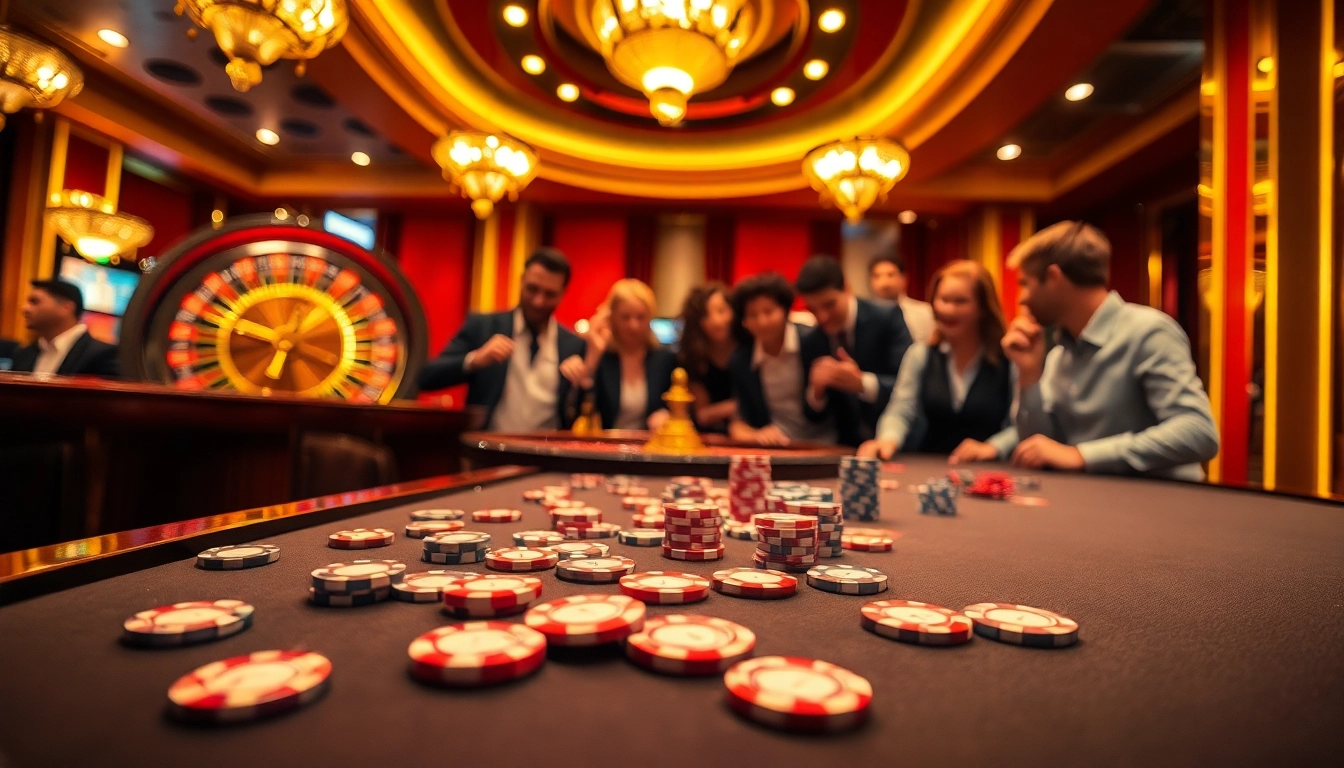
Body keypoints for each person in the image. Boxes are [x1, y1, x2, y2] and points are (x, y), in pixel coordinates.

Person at [1001, 221, 1219, 479]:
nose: (1022, 298)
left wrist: (1083, 455)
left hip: (1166, 508)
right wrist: (1029, 375)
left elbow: (1198, 432)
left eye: (1024, 284)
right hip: (1099, 506)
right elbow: (1040, 449)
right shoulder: (1059, 354)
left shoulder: (1148, 332)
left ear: (1053, 277)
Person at [859, 260, 1018, 462]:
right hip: (930, 472)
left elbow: (1020, 426)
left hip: (991, 475)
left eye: (960, 301)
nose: (948, 310)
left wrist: (992, 447)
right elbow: (901, 411)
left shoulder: (1009, 359)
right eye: (943, 299)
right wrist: (887, 441)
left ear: (983, 308)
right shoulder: (920, 355)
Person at [418, 248, 588, 430]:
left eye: (550, 294)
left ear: (563, 293)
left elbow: (575, 414)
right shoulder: (484, 327)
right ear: (521, 281)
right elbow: (426, 377)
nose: (539, 301)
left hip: (546, 455)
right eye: (532, 289)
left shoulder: (573, 345)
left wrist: (582, 382)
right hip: (487, 452)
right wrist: (475, 359)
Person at [795, 255, 913, 446]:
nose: (822, 317)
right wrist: (816, 392)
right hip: (845, 449)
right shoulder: (812, 340)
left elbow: (911, 388)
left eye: (829, 304)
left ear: (847, 289)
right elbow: (812, 416)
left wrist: (861, 383)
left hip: (900, 445)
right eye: (812, 309)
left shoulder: (887, 318)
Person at [727, 273, 835, 445]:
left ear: (785, 311)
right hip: (778, 446)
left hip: (824, 443)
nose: (762, 322)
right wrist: (758, 434)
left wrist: (818, 390)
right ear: (744, 322)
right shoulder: (741, 360)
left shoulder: (814, 341)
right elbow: (742, 418)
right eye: (753, 316)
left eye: (769, 312)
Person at [584, 279, 677, 431]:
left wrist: (667, 416)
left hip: (651, 447)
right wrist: (593, 353)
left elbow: (678, 409)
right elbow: (581, 406)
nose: (633, 325)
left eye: (640, 317)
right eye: (625, 317)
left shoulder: (665, 359)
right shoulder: (601, 357)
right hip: (606, 448)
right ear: (611, 317)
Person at [9, 279, 120, 379]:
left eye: (35, 302)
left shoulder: (102, 355)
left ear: (66, 307)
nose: (24, 308)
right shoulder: (23, 353)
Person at [676, 283, 738, 432]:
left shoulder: (749, 350)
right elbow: (702, 415)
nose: (716, 321)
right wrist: (739, 406)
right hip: (710, 436)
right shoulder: (694, 358)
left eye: (721, 311)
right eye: (705, 315)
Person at [869, 253, 935, 344]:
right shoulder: (864, 316)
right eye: (877, 276)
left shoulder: (925, 312)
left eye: (890, 275)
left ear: (904, 279)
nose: (884, 283)